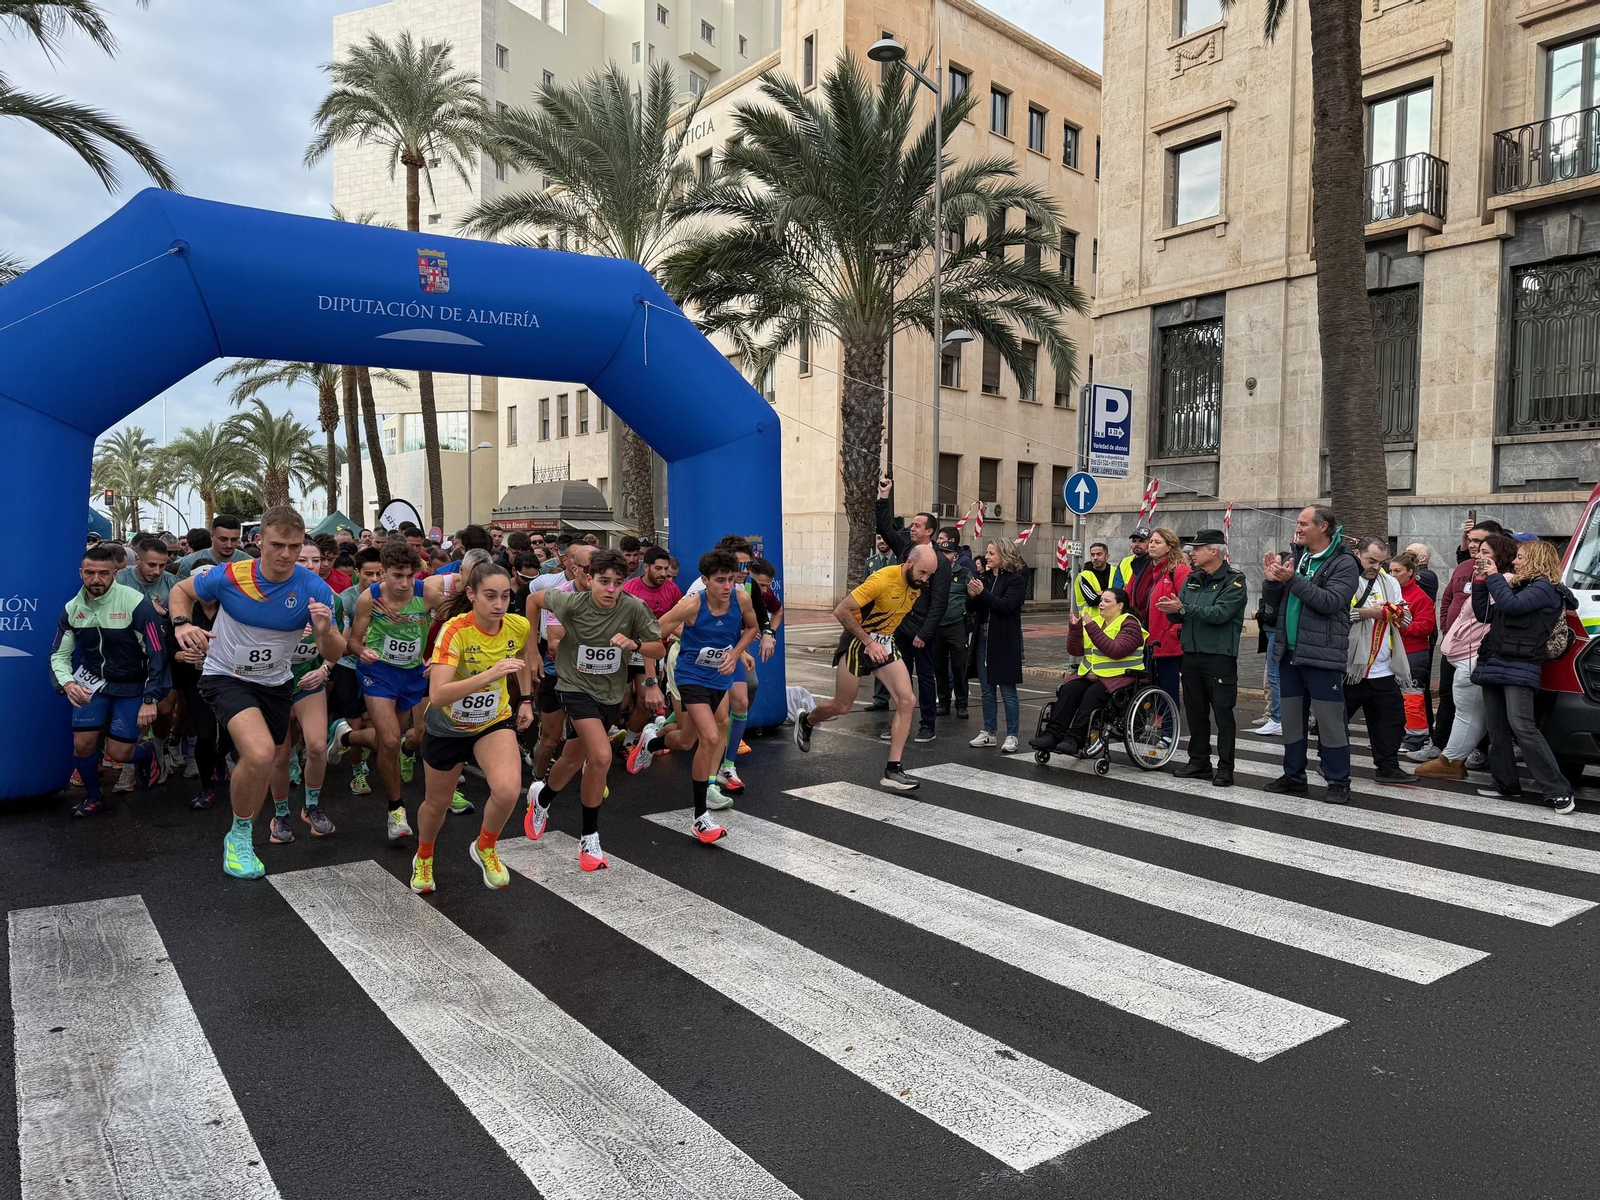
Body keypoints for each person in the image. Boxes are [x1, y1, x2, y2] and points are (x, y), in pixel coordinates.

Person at [170, 506, 341, 879]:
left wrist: (326, 631)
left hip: (276, 683)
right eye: (277, 544)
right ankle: (240, 836)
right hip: (226, 676)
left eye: (295, 547)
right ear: (259, 540)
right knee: (261, 753)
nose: (286, 554)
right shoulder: (232, 574)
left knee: (271, 757)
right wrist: (182, 625)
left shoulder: (313, 588)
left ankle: (253, 822)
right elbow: (180, 591)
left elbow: (333, 654)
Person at [524, 549, 665, 871]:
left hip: (610, 694)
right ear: (589, 580)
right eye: (603, 582)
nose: (610, 589)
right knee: (600, 756)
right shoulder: (570, 602)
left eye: (617, 583)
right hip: (573, 687)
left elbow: (658, 646)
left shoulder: (634, 608)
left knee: (573, 757)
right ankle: (589, 838)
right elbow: (533, 601)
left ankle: (541, 799)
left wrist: (636, 646)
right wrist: (532, 648)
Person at [409, 562, 536, 894]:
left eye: (505, 597)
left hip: (492, 722)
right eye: (490, 596)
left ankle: (486, 846)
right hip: (447, 727)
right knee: (437, 804)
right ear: (471, 594)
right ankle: (424, 855)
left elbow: (521, 658)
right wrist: (490, 675)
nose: (498, 605)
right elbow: (437, 695)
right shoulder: (455, 631)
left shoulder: (517, 625)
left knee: (508, 790)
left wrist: (525, 699)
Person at [628, 549, 758, 844]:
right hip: (690, 675)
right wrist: (639, 648)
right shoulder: (691, 605)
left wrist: (737, 653)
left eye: (731, 580)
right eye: (720, 581)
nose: (727, 587)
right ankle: (700, 818)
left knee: (687, 740)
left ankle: (652, 741)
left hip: (720, 677)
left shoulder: (741, 599)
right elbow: (655, 630)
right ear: (705, 580)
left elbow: (752, 627)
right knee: (710, 738)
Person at [793, 544, 937, 790]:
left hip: (885, 642)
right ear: (909, 564)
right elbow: (841, 610)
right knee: (843, 706)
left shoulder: (916, 586)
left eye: (929, 576)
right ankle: (807, 721)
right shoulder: (882, 579)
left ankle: (893, 769)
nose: (924, 580)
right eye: (922, 573)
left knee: (906, 700)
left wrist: (883, 641)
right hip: (858, 641)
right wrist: (869, 642)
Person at [335, 539, 443, 843]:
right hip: (378, 673)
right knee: (392, 740)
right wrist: (362, 651)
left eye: (410, 576)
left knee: (389, 742)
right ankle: (396, 809)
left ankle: (345, 736)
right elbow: (352, 641)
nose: (404, 583)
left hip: (411, 675)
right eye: (397, 575)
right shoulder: (369, 599)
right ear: (384, 573)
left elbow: (454, 623)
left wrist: (439, 655)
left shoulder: (428, 595)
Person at [52, 544, 170, 816]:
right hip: (91, 683)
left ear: (115, 574)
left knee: (119, 754)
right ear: (81, 573)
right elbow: (58, 655)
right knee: (82, 744)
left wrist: (151, 698)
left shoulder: (135, 602)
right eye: (90, 573)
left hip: (130, 685)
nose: (96, 579)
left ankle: (146, 754)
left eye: (104, 573)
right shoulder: (72, 608)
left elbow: (156, 652)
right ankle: (93, 796)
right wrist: (68, 683)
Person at [1471, 539, 1579, 813]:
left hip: (1521, 664)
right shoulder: (1524, 587)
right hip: (1497, 659)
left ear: (1536, 560)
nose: (1515, 562)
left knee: (1523, 726)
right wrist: (1482, 583)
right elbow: (1487, 615)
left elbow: (1512, 606)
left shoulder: (1546, 588)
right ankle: (1505, 783)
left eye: (1520, 557)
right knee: (1496, 727)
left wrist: (1494, 576)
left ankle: (1558, 790)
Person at [1262, 506, 1360, 804]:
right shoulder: (1297, 558)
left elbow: (1330, 602)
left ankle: (1338, 781)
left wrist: (1291, 580)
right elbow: (1275, 603)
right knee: (1292, 719)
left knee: (1330, 722)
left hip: (1322, 655)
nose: (1298, 528)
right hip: (1289, 652)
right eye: (1298, 523)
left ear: (1324, 527)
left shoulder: (1344, 563)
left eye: (1304, 523)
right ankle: (1294, 776)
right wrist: (1272, 581)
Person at [1415, 533, 1515, 782]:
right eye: (1479, 551)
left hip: (1474, 656)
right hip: (1464, 654)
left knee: (1468, 712)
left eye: (1486, 553)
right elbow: (1452, 601)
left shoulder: (1504, 581)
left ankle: (1451, 760)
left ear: (1500, 557)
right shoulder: (1489, 579)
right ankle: (1452, 758)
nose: (1479, 556)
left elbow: (1484, 615)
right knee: (1470, 711)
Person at [1159, 529, 1247, 786]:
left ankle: (1226, 768)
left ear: (1214, 550)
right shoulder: (1193, 578)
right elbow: (1182, 614)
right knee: (1196, 712)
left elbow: (1220, 614)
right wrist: (1172, 609)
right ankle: (1199, 762)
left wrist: (1184, 608)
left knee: (1222, 714)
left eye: (1197, 549)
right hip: (1192, 655)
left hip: (1219, 657)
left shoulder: (1235, 581)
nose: (1192, 553)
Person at [269, 540, 342, 842]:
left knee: (315, 746)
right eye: (303, 560)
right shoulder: (270, 596)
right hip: (272, 682)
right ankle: (281, 814)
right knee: (281, 753)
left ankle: (312, 807)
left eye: (316, 560)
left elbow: (339, 645)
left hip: (308, 679)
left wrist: (324, 668)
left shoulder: (330, 598)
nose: (312, 566)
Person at [875, 478, 951, 742]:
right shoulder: (906, 548)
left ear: (929, 531)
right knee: (900, 677)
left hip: (921, 631)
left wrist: (925, 633)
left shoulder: (940, 562)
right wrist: (884, 496)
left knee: (926, 677)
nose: (912, 528)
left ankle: (927, 725)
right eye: (912, 525)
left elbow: (939, 602)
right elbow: (885, 528)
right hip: (898, 626)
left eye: (917, 525)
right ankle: (900, 723)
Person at [1029, 588, 1146, 755]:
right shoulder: (1097, 621)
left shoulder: (1130, 624)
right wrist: (1075, 629)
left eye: (1107, 601)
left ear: (1120, 605)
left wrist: (1090, 627)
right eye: (1101, 600)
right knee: (1068, 690)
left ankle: (1075, 739)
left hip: (1120, 678)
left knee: (1093, 694)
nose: (1101, 604)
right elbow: (1075, 651)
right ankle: (1052, 734)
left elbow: (1116, 650)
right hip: (1093, 675)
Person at [1342, 536, 1413, 785]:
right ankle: (1331, 763)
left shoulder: (1390, 582)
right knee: (1337, 721)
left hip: (1383, 667)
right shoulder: (1345, 577)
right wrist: (1372, 612)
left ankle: (1388, 767)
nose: (1376, 567)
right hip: (1350, 667)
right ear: (1357, 553)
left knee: (1391, 721)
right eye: (1371, 561)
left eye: (1381, 562)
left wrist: (1397, 613)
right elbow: (1338, 613)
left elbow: (1406, 618)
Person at [116, 534, 180, 782]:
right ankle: (130, 765)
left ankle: (159, 750)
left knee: (163, 711)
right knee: (132, 711)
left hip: (162, 656)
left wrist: (163, 615)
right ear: (138, 560)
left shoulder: (173, 584)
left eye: (162, 565)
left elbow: (181, 620)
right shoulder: (120, 579)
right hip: (127, 656)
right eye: (151, 564)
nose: (157, 571)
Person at [967, 538, 1028, 753]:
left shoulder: (1016, 580)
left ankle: (1012, 735)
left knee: (1008, 691)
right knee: (986, 690)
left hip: (1004, 640)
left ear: (1004, 555)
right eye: (987, 552)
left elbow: (1005, 606)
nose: (987, 556)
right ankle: (989, 732)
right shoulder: (984, 577)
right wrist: (973, 595)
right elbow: (973, 607)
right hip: (983, 638)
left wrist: (982, 593)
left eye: (992, 553)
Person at [621, 546, 684, 747]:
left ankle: (629, 742)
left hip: (652, 651)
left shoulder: (672, 590)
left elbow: (680, 618)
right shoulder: (630, 588)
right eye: (658, 569)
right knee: (620, 701)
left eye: (666, 569)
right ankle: (606, 737)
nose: (664, 574)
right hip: (625, 650)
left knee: (645, 700)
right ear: (646, 567)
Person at [1251, 537, 1298, 737]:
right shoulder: (1274, 584)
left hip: (1278, 632)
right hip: (1272, 632)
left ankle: (1278, 718)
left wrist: (1259, 614)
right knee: (1274, 677)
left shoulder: (1286, 584)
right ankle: (1277, 717)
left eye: (1279, 563)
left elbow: (1273, 611)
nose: (1274, 567)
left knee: (1275, 677)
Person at [1390, 552, 1437, 751]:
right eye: (1390, 571)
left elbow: (1426, 627)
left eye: (1397, 571)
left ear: (1410, 572)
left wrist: (1401, 626)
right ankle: (1398, 736)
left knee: (1412, 697)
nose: (1392, 575)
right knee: (1395, 697)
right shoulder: (1390, 593)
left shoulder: (1420, 597)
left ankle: (1417, 739)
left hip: (1413, 652)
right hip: (1392, 652)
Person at [1140, 528, 1190, 702]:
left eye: (1157, 542)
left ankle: (1168, 727)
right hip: (1148, 640)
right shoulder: (1147, 570)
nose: (1152, 545)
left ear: (1169, 547)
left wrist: (1174, 630)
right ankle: (1155, 723)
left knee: (1168, 690)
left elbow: (1189, 604)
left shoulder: (1179, 570)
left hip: (1169, 641)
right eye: (1151, 541)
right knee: (1150, 689)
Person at [932, 533, 973, 719]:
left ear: (955, 556)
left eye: (947, 552)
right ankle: (943, 702)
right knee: (939, 667)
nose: (944, 555)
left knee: (959, 667)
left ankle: (962, 704)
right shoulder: (933, 573)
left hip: (957, 625)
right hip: (937, 626)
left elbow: (973, 599)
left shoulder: (964, 574)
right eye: (941, 552)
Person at [1111, 527, 1156, 626]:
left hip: (1149, 614)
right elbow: (1117, 591)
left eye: (1141, 541)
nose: (1136, 544)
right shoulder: (1124, 562)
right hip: (1129, 613)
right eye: (1134, 541)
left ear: (1150, 543)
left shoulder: (1155, 562)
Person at [1075, 542, 1112, 612]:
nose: (1095, 558)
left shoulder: (1116, 572)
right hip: (1092, 620)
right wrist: (1112, 592)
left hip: (1114, 619)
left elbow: (1122, 595)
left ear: (1107, 557)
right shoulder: (1083, 576)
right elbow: (1092, 601)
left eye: (1099, 554)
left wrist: (1100, 592)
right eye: (1092, 555)